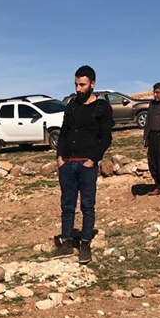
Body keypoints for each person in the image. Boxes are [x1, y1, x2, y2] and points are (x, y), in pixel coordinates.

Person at [55, 65, 114, 265]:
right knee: (67, 205)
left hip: (87, 165)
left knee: (87, 205)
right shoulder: (71, 105)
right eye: (76, 84)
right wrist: (60, 158)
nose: (78, 88)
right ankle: (66, 241)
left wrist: (93, 160)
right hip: (67, 164)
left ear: (92, 84)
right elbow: (63, 132)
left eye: (82, 84)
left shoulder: (102, 107)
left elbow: (106, 137)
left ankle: (85, 243)